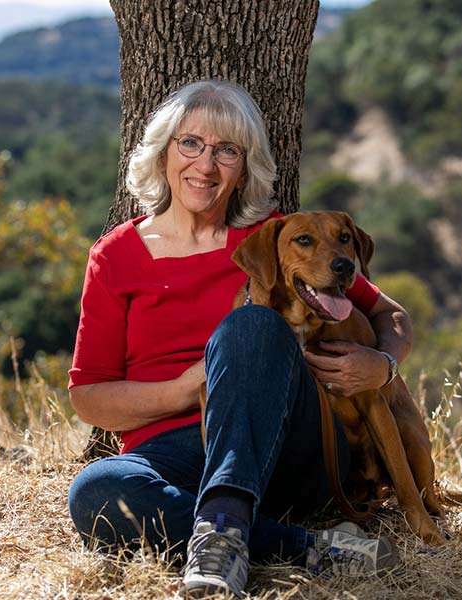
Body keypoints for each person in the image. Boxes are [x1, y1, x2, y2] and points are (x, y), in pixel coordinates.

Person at [67, 79, 412, 598]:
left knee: (250, 324)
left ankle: (224, 531)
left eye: (226, 150)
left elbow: (390, 313)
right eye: (191, 144)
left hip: (290, 444)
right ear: (163, 153)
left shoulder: (279, 240)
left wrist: (382, 363)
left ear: (245, 167)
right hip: (176, 452)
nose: (205, 166)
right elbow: (89, 397)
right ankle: (306, 548)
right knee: (96, 491)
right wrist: (188, 387)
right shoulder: (115, 257)